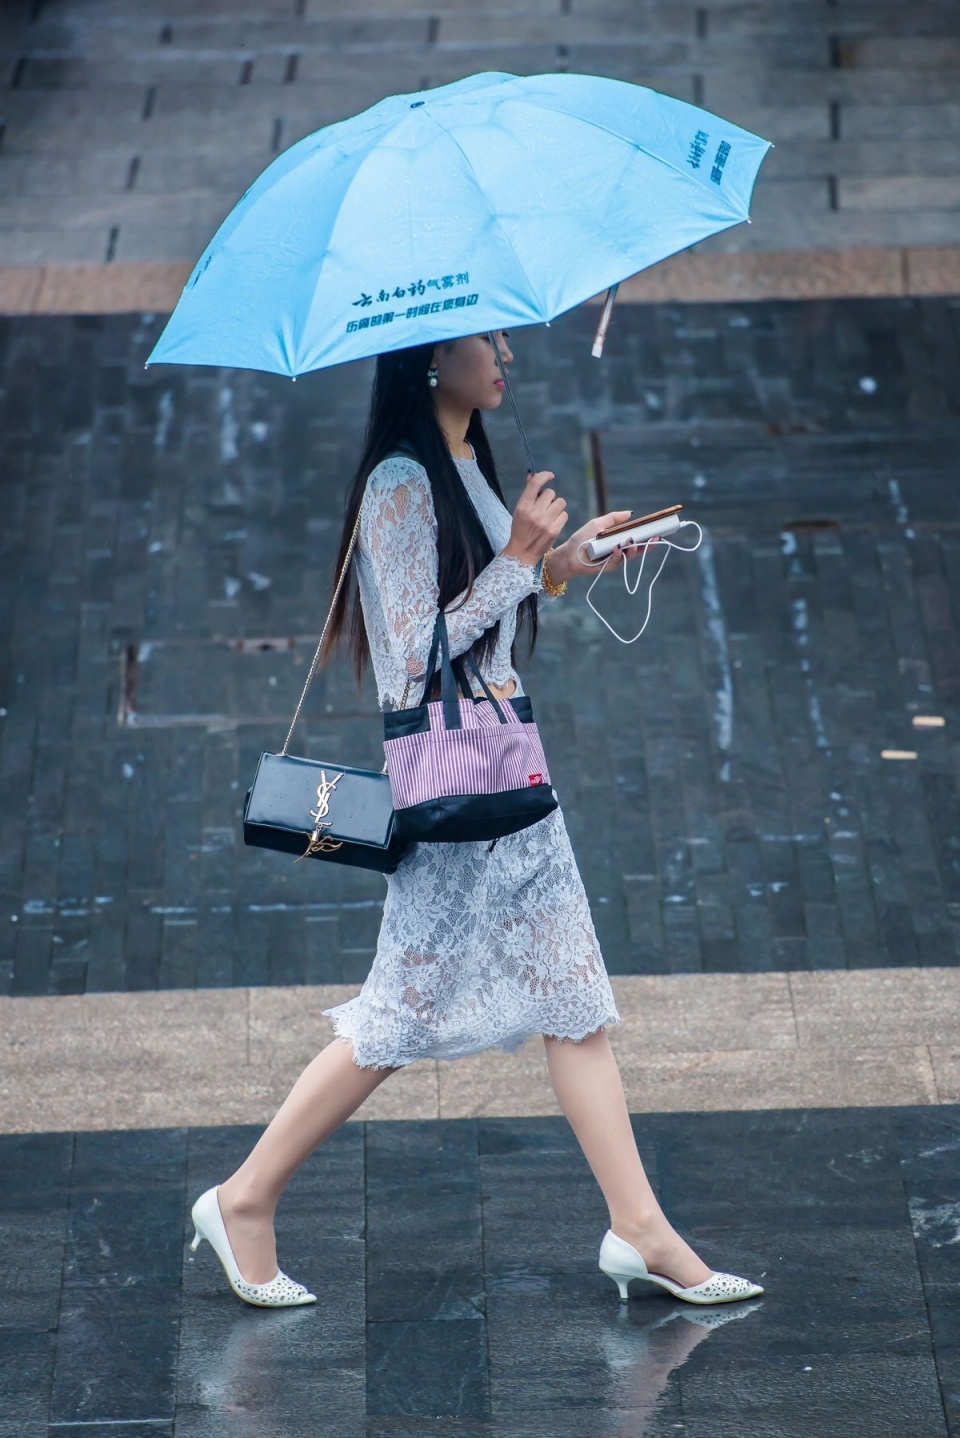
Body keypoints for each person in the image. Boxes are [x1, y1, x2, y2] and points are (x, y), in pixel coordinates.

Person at [189, 332, 764, 1310]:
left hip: (513, 780)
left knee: (575, 995)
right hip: (458, 798)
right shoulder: (400, 484)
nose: (505, 355)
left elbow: (488, 607)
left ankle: (639, 1225)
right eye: (483, 341)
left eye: (504, 336)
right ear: (425, 360)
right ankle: (243, 1198)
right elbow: (413, 655)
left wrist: (567, 562)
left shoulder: (462, 457)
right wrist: (520, 555)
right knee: (396, 1018)